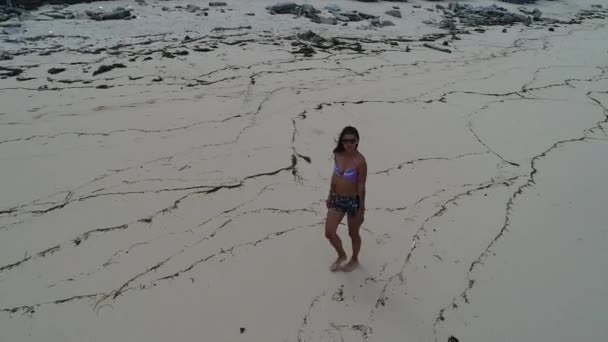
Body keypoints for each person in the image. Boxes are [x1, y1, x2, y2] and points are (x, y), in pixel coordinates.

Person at [324, 126, 367, 272]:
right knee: (329, 232)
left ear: (357, 141)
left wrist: (361, 209)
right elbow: (335, 176)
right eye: (345, 141)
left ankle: (354, 259)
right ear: (341, 142)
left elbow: (361, 186)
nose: (348, 144)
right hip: (337, 198)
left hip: (353, 202)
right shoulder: (338, 155)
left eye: (352, 140)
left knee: (353, 233)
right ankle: (341, 255)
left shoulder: (360, 161)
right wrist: (330, 194)